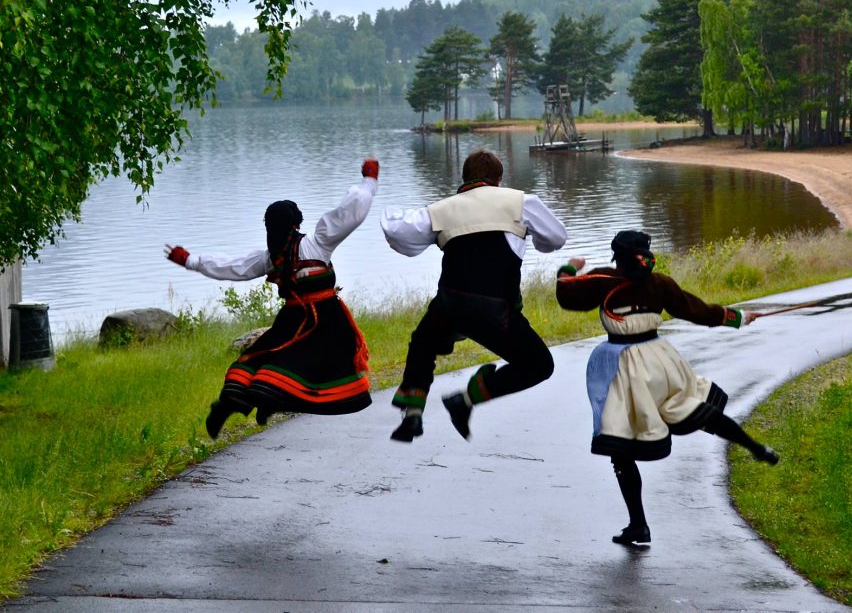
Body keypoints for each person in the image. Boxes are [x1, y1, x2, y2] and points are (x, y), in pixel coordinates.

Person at [555, 230, 779, 547]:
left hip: (626, 366)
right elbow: (696, 310)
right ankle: (754, 446)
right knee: (692, 407)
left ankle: (639, 524)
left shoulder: (603, 280)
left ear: (616, 256)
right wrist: (737, 317)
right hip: (661, 361)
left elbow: (567, 294)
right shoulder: (659, 283)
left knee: (620, 443)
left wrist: (568, 267)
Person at [165, 158, 380, 439]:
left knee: (261, 363)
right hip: (324, 322)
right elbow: (350, 212)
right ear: (296, 223)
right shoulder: (316, 243)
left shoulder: (270, 258)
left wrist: (191, 261)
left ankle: (236, 403)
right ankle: (269, 402)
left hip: (290, 323)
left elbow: (233, 267)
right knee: (308, 369)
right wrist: (369, 181)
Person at [379, 149, 567, 442]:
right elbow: (556, 238)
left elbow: (399, 234)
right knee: (539, 365)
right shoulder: (520, 203)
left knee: (423, 342)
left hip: (450, 304)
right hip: (495, 311)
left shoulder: (441, 209)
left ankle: (413, 413)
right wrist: (528, 235)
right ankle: (470, 395)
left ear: (464, 177)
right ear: (499, 180)